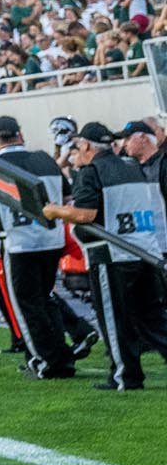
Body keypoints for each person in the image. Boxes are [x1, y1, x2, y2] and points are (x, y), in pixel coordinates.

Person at [47, 122, 163, 391]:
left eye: (77, 147)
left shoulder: (91, 172)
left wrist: (55, 211)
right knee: (153, 318)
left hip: (112, 255)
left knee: (115, 320)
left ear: (86, 145)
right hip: (144, 251)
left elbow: (85, 214)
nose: (75, 153)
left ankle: (125, 377)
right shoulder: (131, 167)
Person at [0, 114, 79, 379]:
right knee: (46, 299)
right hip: (52, 239)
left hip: (19, 243)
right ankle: (61, 355)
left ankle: (45, 359)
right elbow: (68, 197)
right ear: (20, 134)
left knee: (28, 305)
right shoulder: (45, 159)